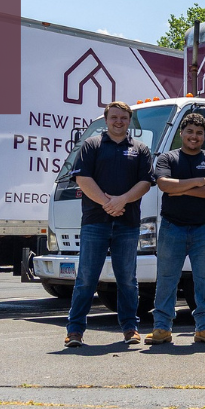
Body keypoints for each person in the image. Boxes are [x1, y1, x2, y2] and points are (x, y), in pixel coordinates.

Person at [63, 101, 155, 348]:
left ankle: (130, 328)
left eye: (124, 118)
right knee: (86, 278)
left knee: (127, 279)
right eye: (114, 117)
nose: (119, 122)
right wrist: (107, 203)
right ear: (106, 119)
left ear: (129, 121)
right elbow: (82, 178)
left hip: (127, 223)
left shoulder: (141, 149)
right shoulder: (91, 145)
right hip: (95, 222)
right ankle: (75, 331)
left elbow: (145, 183)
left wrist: (122, 200)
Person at [146, 113, 205, 346]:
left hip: (204, 229)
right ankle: (161, 328)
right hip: (172, 228)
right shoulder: (167, 158)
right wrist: (197, 181)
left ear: (204, 136)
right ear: (181, 133)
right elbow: (163, 184)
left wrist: (179, 189)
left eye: (199, 133)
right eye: (190, 131)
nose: (194, 136)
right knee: (166, 279)